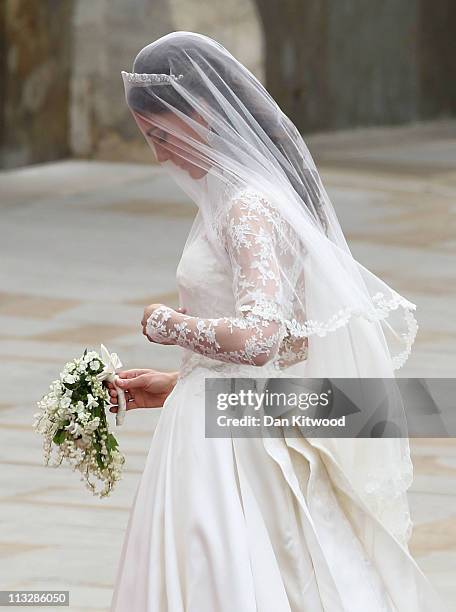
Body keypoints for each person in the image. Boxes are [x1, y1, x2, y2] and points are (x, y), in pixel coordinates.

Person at [108, 31, 448, 611]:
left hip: (230, 452)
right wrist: (175, 385)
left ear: (203, 113)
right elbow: (291, 342)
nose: (160, 155)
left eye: (162, 135)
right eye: (149, 140)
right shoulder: (250, 196)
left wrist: (164, 324)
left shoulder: (246, 205)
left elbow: (261, 338)